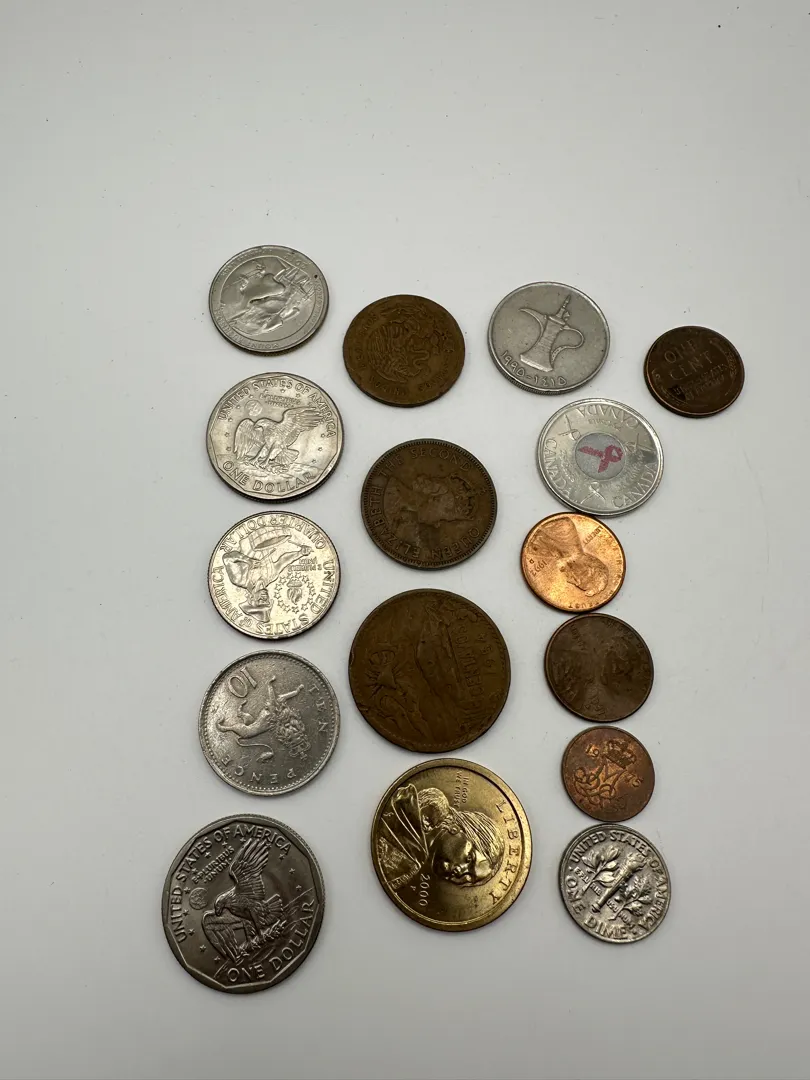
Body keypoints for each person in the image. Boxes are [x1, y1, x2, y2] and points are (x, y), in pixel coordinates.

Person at [377, 784, 504, 890]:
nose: (461, 871)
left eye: (470, 877)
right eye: (470, 858)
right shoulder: (408, 809)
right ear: (456, 829)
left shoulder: (408, 870)